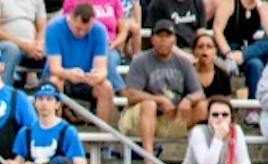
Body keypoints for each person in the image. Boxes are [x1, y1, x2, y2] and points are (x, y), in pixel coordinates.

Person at [120, 21, 204, 155]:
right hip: (140, 117)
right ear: (152, 39)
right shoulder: (140, 60)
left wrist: (188, 100)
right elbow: (130, 94)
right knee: (149, 105)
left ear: (174, 40)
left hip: (171, 117)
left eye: (167, 36)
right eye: (159, 36)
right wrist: (159, 99)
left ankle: (198, 157)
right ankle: (149, 158)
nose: (163, 40)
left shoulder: (183, 62)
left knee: (202, 107)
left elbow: (199, 92)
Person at [9, 84, 88, 164]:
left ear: (57, 104)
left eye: (49, 99)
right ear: (35, 103)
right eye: (40, 99)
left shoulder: (67, 132)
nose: (44, 103)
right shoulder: (26, 132)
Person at [44, 3, 116, 121]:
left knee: (106, 87)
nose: (82, 33)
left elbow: (102, 68)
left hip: (86, 79)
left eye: (86, 29)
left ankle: (103, 130)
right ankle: (54, 127)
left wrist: (97, 76)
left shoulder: (99, 30)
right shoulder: (54, 28)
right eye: (78, 28)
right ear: (71, 18)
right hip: (62, 77)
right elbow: (55, 68)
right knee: (55, 82)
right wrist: (69, 74)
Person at [0, 0, 48, 85]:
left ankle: (48, 91)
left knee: (53, 52)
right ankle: (2, 90)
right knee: (11, 49)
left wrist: (39, 45)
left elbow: (43, 27)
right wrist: (24, 46)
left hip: (30, 47)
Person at [215, 0, 268, 94]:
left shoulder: (263, 6)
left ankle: (255, 101)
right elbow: (217, 30)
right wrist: (228, 53)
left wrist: (262, 11)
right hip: (231, 48)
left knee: (256, 63)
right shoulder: (230, 3)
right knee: (255, 64)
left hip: (251, 50)